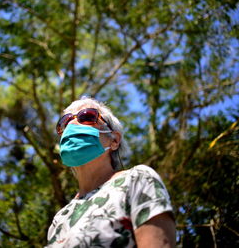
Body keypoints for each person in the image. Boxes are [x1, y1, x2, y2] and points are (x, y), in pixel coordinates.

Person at [46, 97, 175, 247]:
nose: (72, 124)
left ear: (114, 140)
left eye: (87, 116)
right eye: (65, 122)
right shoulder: (60, 218)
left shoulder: (138, 180)